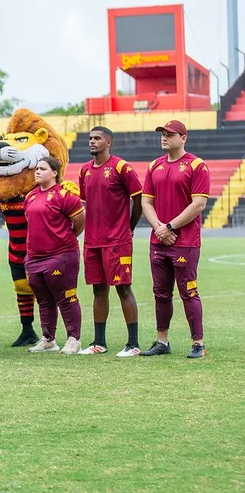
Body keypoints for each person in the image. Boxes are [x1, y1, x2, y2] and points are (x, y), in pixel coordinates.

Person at [140, 120, 210, 359]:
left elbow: (199, 204)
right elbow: (146, 202)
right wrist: (159, 227)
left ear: (183, 138)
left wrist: (169, 226)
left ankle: (197, 343)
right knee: (160, 294)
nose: (164, 137)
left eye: (170, 134)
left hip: (185, 242)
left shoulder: (197, 165)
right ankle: (162, 342)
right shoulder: (154, 166)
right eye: (162, 133)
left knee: (188, 292)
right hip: (158, 241)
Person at [77, 127, 143, 357]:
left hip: (117, 240)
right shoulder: (84, 170)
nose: (92, 142)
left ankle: (133, 344)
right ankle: (99, 342)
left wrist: (129, 228)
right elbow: (86, 205)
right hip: (92, 241)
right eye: (90, 138)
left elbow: (138, 200)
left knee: (123, 288)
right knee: (98, 290)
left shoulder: (121, 167)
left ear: (109, 142)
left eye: (97, 138)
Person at [24, 157, 85, 355]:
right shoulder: (30, 196)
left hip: (61, 255)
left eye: (42, 168)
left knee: (66, 298)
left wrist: (66, 238)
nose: (37, 172)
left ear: (54, 173)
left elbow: (80, 220)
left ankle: (74, 339)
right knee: (43, 300)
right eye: (36, 168)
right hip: (34, 257)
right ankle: (48, 339)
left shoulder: (64, 196)